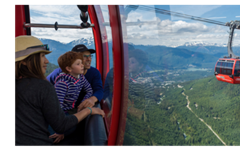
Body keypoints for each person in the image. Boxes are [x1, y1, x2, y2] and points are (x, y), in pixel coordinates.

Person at [14, 35, 104, 146]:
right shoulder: (54, 81)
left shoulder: (18, 84)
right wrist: (88, 111)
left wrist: (90, 99)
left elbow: (97, 90)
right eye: (42, 56)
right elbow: (60, 121)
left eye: (89, 56)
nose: (47, 61)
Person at [48, 51, 93, 143]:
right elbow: (56, 107)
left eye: (81, 63)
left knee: (75, 127)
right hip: (60, 113)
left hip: (70, 110)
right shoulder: (62, 84)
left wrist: (83, 103)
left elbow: (89, 90)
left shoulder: (81, 78)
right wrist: (60, 129)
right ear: (68, 68)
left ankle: (63, 133)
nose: (82, 65)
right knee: (53, 134)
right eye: (78, 64)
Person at [47, 44, 103, 111]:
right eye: (84, 57)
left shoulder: (93, 73)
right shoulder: (59, 74)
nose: (89, 59)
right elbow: (45, 86)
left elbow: (99, 90)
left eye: (90, 56)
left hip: (78, 109)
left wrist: (91, 99)